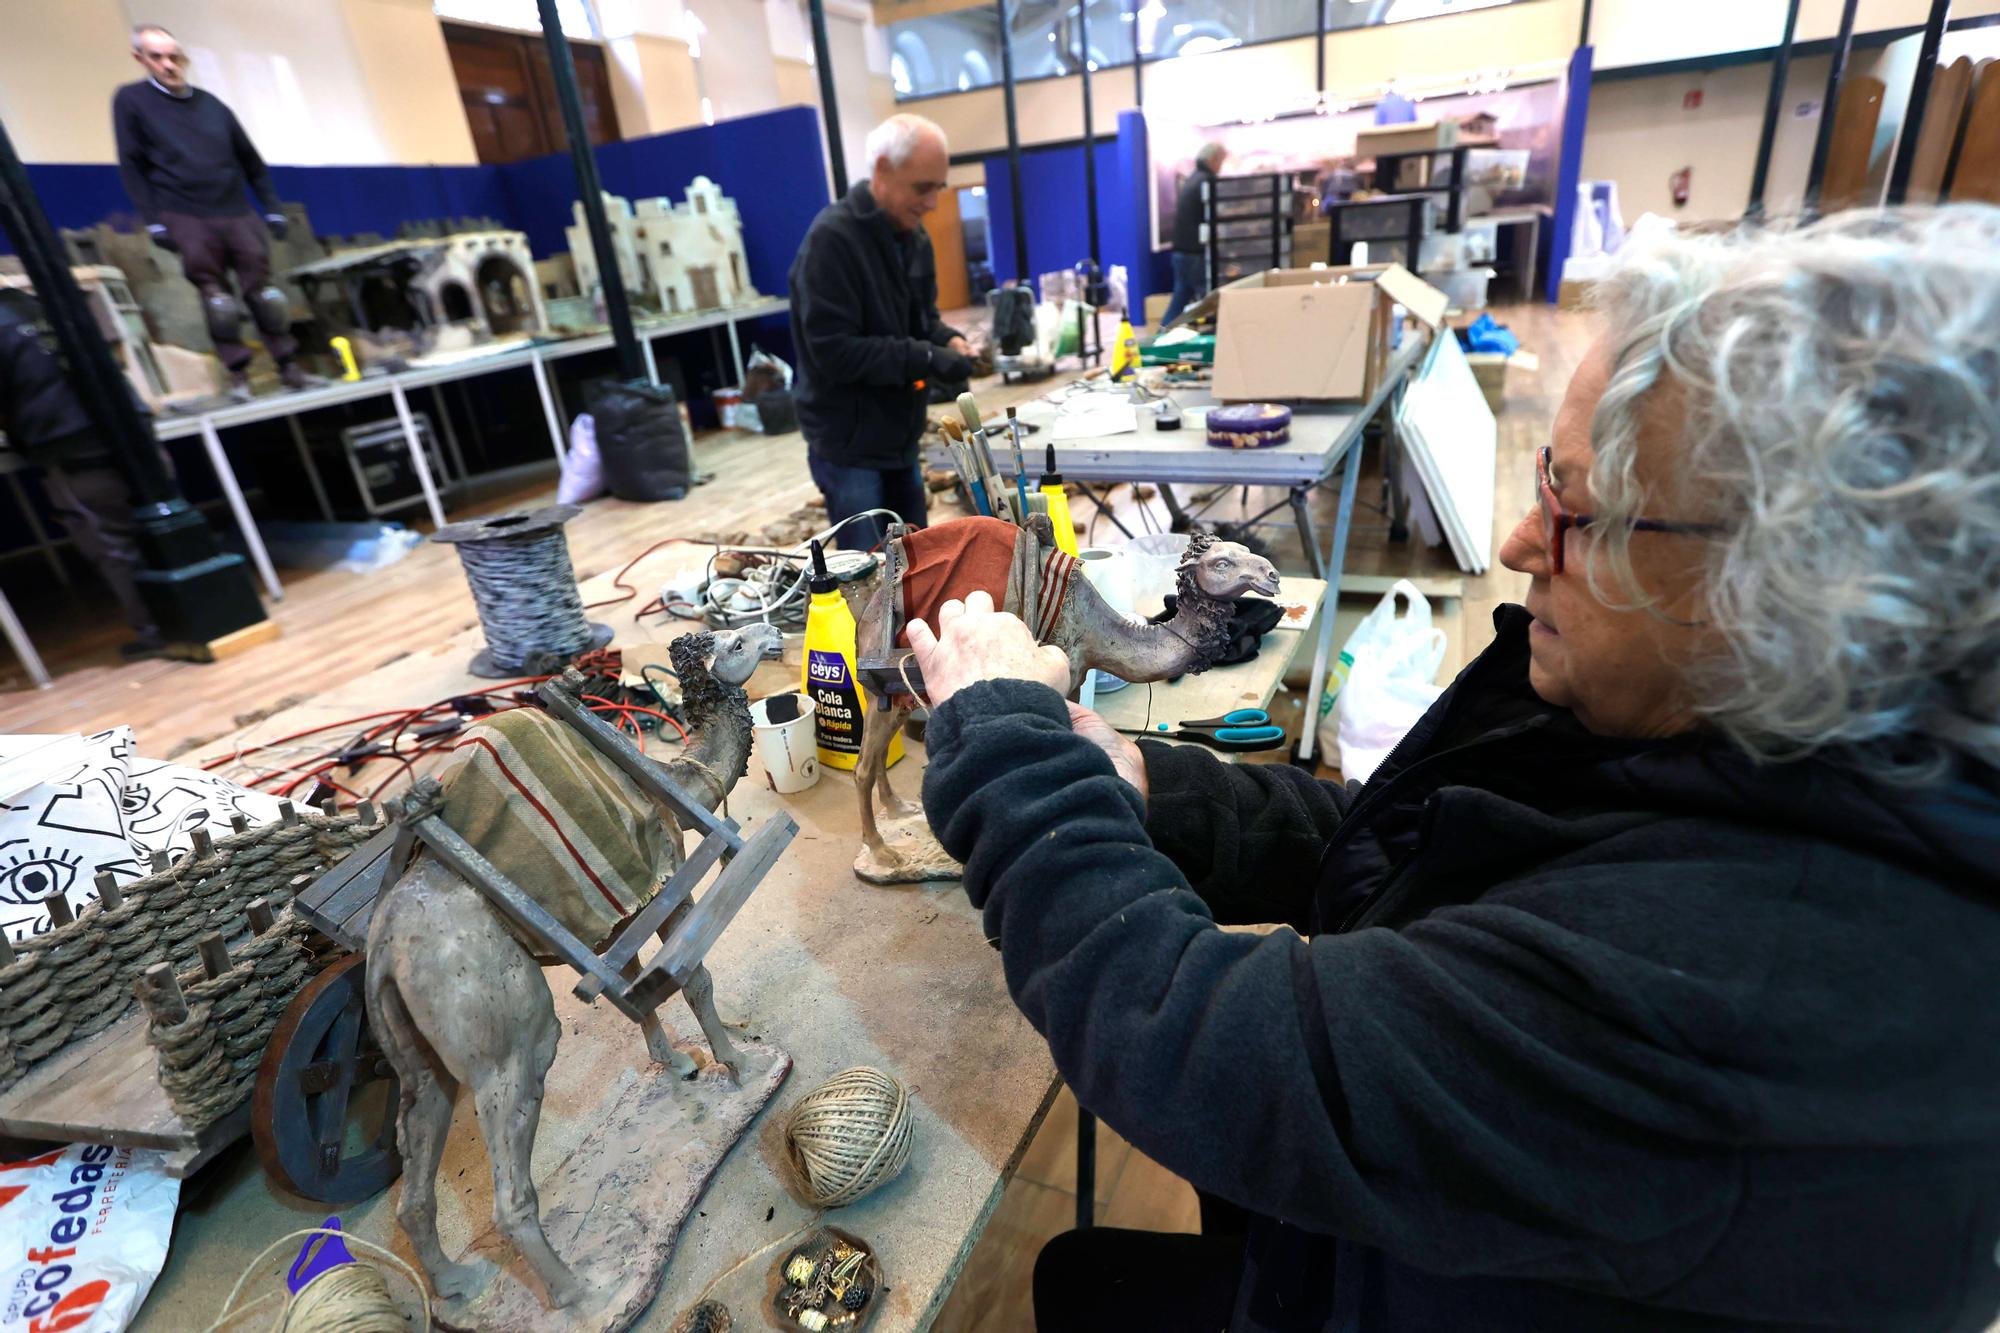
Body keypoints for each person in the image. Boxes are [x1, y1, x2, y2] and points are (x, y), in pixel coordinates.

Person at [906, 208, 2000, 1331]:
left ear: (1777, 586)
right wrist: (1150, 784)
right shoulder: (1755, 739)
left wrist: (1007, 746)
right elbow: (1425, 841)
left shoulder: (1762, 972)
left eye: (1573, 510)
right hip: (1397, 1258)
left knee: (1079, 1282)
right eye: (1543, 482)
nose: (1522, 543)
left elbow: (1205, 1051)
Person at [789, 113, 973, 551]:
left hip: (898, 438)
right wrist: (926, 358)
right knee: (868, 579)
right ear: (883, 171)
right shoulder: (831, 242)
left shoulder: (914, 239)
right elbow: (835, 352)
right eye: (922, 188)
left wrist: (946, 339)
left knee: (918, 566)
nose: (932, 203)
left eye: (938, 187)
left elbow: (920, 321)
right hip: (849, 445)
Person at [113, 24, 311, 401]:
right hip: (185, 213)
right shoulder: (131, 102)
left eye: (174, 56)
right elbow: (132, 165)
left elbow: (252, 162)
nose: (169, 65)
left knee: (265, 294)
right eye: (157, 57)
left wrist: (272, 208)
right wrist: (153, 219)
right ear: (141, 59)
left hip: (235, 211)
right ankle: (239, 376)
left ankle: (290, 368)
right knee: (217, 299)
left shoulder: (212, 105)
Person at [0, 294, 163, 658]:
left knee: (114, 545)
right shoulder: (45, 299)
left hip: (70, 442)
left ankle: (159, 633)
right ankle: (202, 613)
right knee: (161, 522)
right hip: (131, 425)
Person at [1162, 142, 1226, 327]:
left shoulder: (1192, 179)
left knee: (1180, 297)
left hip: (1181, 251)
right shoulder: (1207, 181)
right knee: (1211, 298)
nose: (1221, 166)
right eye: (1221, 161)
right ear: (1213, 160)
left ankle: (1162, 336)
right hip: (1195, 252)